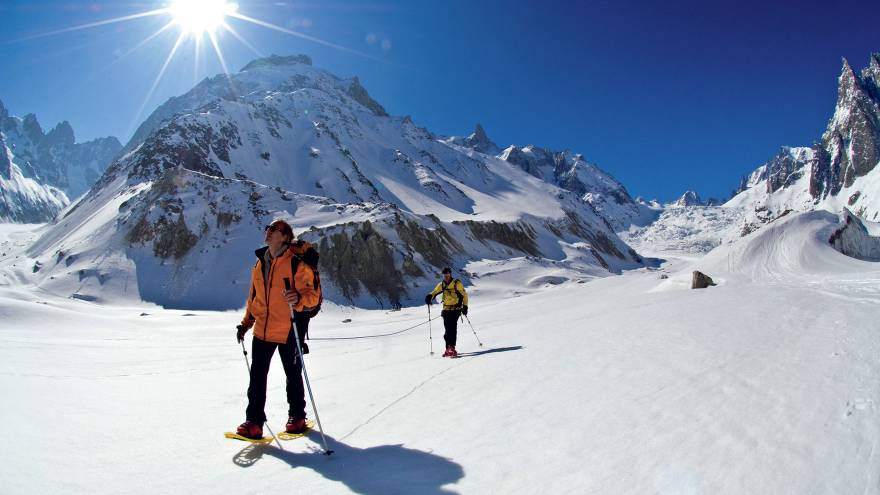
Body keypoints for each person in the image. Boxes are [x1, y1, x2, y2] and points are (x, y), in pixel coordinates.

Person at [234, 219, 320, 439]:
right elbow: (254, 297)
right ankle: (254, 422)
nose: (268, 232)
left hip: (290, 328)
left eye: (274, 230)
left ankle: (297, 416)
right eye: (268, 229)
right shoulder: (260, 262)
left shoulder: (295, 264)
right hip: (263, 328)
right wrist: (246, 323)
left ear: (285, 236)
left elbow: (313, 297)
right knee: (257, 377)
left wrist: (298, 298)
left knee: (292, 375)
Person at [425, 267, 469, 357]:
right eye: (445, 275)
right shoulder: (442, 284)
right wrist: (429, 296)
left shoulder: (457, 283)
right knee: (447, 330)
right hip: (446, 310)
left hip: (456, 309)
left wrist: (465, 306)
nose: (446, 276)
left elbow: (464, 295)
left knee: (452, 328)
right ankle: (448, 348)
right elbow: (435, 292)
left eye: (447, 274)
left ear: (450, 274)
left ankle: (451, 347)